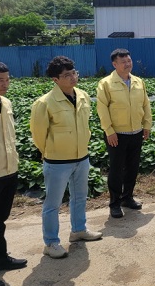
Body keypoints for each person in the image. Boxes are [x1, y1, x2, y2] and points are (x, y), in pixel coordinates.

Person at [30, 56, 102, 259]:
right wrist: (51, 152)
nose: (72, 78)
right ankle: (51, 242)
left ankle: (78, 230)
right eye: (66, 75)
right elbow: (38, 134)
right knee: (53, 204)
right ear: (55, 79)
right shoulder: (44, 103)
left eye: (74, 73)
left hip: (82, 157)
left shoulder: (83, 96)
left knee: (80, 197)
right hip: (57, 162)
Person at [96, 49, 152, 219]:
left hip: (136, 132)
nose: (128, 64)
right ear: (115, 64)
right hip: (117, 134)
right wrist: (109, 130)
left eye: (129, 60)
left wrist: (147, 125)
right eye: (123, 62)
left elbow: (145, 104)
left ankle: (127, 197)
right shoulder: (106, 84)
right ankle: (114, 203)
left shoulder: (138, 82)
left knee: (132, 168)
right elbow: (102, 108)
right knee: (116, 169)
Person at [0, 61, 26, 286]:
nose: (6, 84)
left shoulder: (6, 103)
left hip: (8, 171)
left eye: (7, 79)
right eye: (0, 80)